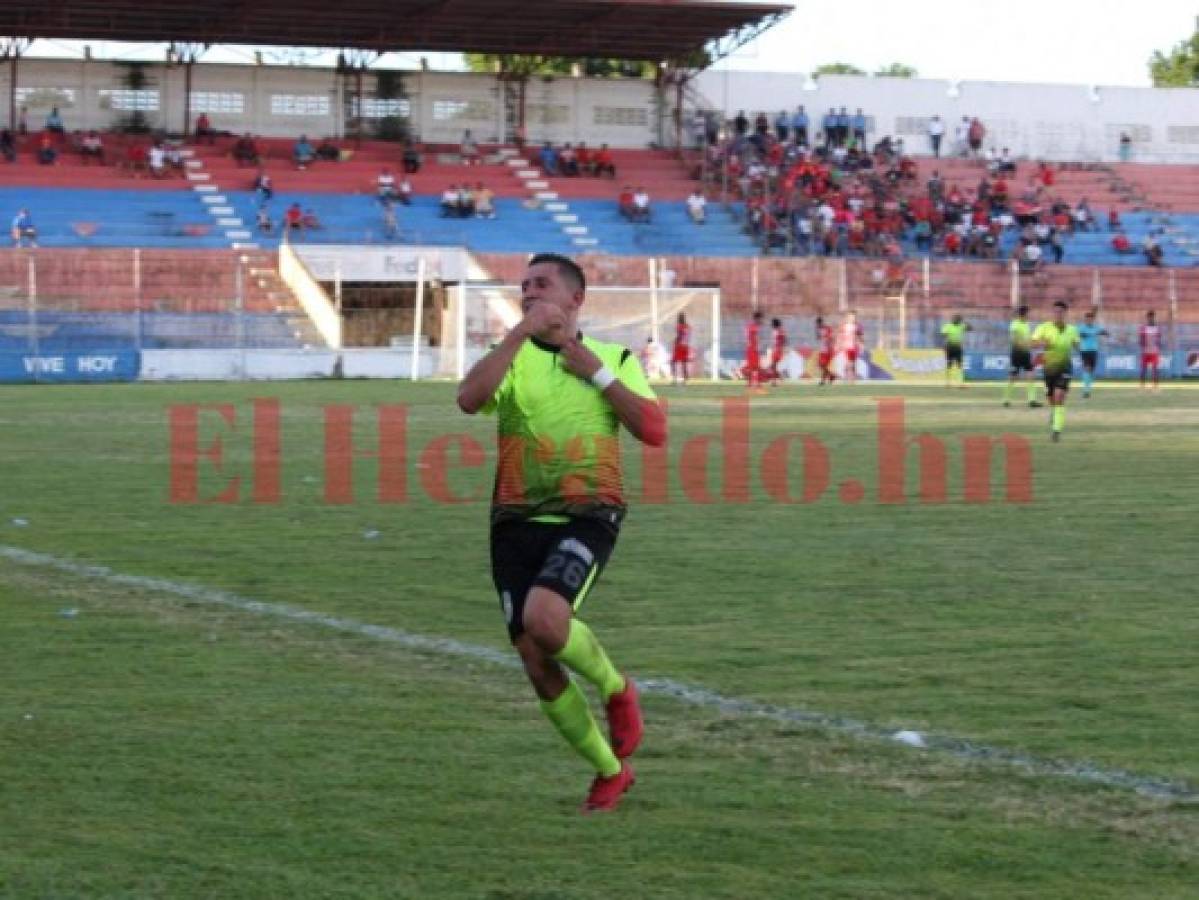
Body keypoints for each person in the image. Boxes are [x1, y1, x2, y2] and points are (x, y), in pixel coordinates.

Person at [456, 253, 662, 813]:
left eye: (541, 285)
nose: (528, 293)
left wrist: (597, 373)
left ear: (575, 300)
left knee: (545, 620)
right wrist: (517, 335)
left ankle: (617, 689)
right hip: (514, 519)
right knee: (533, 655)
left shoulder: (615, 357)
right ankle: (610, 770)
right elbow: (469, 399)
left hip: (588, 511)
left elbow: (655, 430)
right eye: (523, 287)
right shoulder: (513, 359)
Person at [1032, 300, 1080, 442]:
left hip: (1065, 367)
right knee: (1051, 398)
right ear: (1053, 313)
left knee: (1059, 396)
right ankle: (1054, 413)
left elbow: (1076, 344)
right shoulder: (1044, 327)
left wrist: (1080, 348)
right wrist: (1042, 343)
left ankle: (1056, 430)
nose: (1058, 314)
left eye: (1061, 312)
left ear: (1065, 313)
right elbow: (1032, 343)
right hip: (1049, 367)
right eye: (1056, 312)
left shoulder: (1072, 330)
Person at [1003, 305, 1042, 408]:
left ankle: (1032, 400)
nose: (1029, 316)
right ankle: (1006, 399)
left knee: (1031, 375)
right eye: (1028, 314)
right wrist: (1028, 345)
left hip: (1026, 354)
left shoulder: (1026, 324)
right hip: (1017, 354)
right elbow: (1014, 340)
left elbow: (1028, 339)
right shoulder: (1015, 324)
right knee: (1013, 377)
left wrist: (1033, 344)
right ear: (1023, 314)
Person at [1076, 308, 1109, 399]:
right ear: (1085, 319)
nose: (1088, 320)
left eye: (1090, 319)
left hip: (1094, 351)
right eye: (1087, 319)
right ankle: (1086, 391)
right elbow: (1081, 334)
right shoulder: (1082, 327)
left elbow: (1105, 332)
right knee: (1087, 368)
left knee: (1090, 371)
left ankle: (1088, 389)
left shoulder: (1096, 327)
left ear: (1092, 319)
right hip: (1085, 351)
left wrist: (1105, 333)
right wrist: (1092, 333)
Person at [940, 313, 971, 389]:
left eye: (958, 319)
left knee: (959, 365)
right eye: (955, 319)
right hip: (950, 346)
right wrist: (946, 335)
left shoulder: (961, 326)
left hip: (958, 346)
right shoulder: (948, 326)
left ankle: (960, 383)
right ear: (952, 319)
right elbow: (943, 334)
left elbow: (971, 329)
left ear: (960, 321)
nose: (956, 320)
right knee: (949, 365)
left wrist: (967, 324)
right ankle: (948, 382)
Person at [1139, 310, 1163, 391]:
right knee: (1143, 369)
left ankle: (1155, 387)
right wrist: (1143, 346)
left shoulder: (1157, 328)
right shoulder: (1144, 328)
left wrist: (1158, 347)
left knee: (1155, 369)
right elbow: (1141, 340)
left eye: (1153, 317)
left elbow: (1159, 340)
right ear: (1147, 318)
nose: (1152, 319)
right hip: (1145, 352)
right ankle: (1142, 386)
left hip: (1154, 352)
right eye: (1150, 317)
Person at [839, 311, 863, 384]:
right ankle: (846, 376)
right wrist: (840, 344)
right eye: (851, 317)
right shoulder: (844, 326)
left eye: (854, 317)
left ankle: (852, 378)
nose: (853, 318)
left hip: (855, 347)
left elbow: (860, 336)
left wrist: (861, 345)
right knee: (848, 363)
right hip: (847, 346)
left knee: (854, 363)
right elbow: (841, 336)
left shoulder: (857, 326)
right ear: (848, 317)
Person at [743, 310, 764, 388]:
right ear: (757, 318)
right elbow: (753, 337)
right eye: (760, 319)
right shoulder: (753, 327)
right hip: (752, 349)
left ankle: (753, 382)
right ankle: (752, 383)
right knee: (753, 366)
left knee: (755, 367)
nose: (761, 320)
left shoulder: (753, 326)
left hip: (753, 348)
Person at [815, 316, 836, 385]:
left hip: (828, 350)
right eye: (817, 324)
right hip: (822, 350)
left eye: (818, 324)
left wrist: (828, 340)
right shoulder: (818, 329)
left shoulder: (827, 328)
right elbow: (818, 338)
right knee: (822, 365)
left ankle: (823, 380)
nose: (817, 325)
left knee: (823, 365)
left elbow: (831, 337)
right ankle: (831, 376)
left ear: (821, 323)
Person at [671, 312, 691, 385]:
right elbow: (688, 336)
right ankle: (685, 379)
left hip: (679, 346)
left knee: (673, 362)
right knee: (684, 363)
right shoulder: (688, 326)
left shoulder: (679, 326)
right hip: (686, 346)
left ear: (679, 319)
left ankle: (675, 378)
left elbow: (679, 336)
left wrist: (675, 341)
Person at [768, 317, 787, 384]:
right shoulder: (775, 331)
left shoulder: (780, 331)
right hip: (775, 349)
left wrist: (782, 347)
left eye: (772, 324)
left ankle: (775, 380)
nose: (771, 325)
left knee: (773, 365)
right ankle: (778, 379)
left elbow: (784, 340)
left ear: (775, 324)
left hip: (778, 350)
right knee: (773, 366)